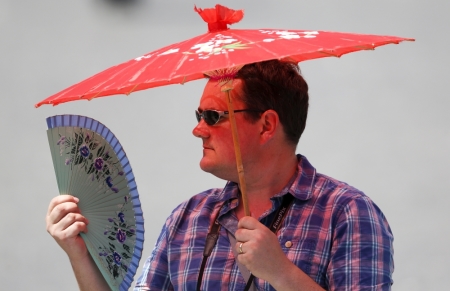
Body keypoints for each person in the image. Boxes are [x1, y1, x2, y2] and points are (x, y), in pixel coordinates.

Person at [46, 60, 394, 291]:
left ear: (267, 125)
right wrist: (80, 254)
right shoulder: (188, 216)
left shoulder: (348, 212)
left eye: (213, 116)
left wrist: (282, 273)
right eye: (199, 115)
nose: (198, 130)